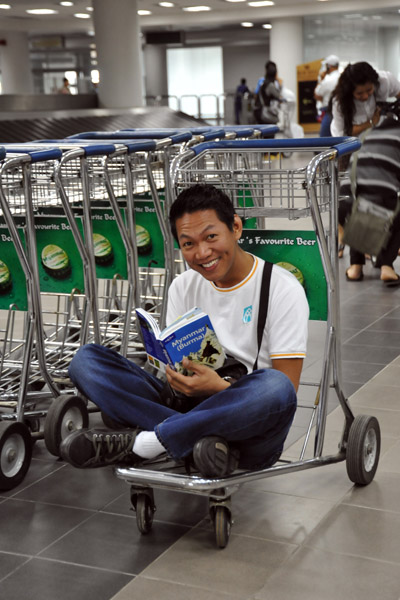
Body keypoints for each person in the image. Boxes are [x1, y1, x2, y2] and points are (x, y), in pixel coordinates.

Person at [60, 184, 309, 477]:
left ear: (236, 228)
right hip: (185, 405)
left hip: (248, 425)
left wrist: (218, 388)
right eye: (188, 243)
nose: (203, 253)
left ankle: (148, 443)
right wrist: (177, 377)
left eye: (211, 237)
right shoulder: (183, 285)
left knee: (275, 387)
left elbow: (288, 392)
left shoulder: (282, 289)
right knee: (86, 361)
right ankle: (200, 443)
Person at [330, 62, 400, 282]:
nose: (365, 96)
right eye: (359, 93)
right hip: (354, 149)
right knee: (361, 204)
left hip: (383, 149)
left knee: (379, 203)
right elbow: (343, 134)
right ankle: (371, 262)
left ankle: (371, 263)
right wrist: (374, 122)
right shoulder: (340, 103)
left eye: (369, 91)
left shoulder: (385, 80)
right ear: (349, 90)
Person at [314, 55, 340, 137]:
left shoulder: (327, 79)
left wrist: (321, 79)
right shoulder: (342, 77)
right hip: (341, 110)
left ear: (329, 66)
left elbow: (317, 95)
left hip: (329, 111)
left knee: (324, 139)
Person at [253, 61, 283, 126]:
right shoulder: (270, 85)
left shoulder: (263, 82)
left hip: (258, 110)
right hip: (263, 112)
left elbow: (256, 94)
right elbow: (279, 96)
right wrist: (280, 84)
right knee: (270, 132)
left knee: (264, 133)